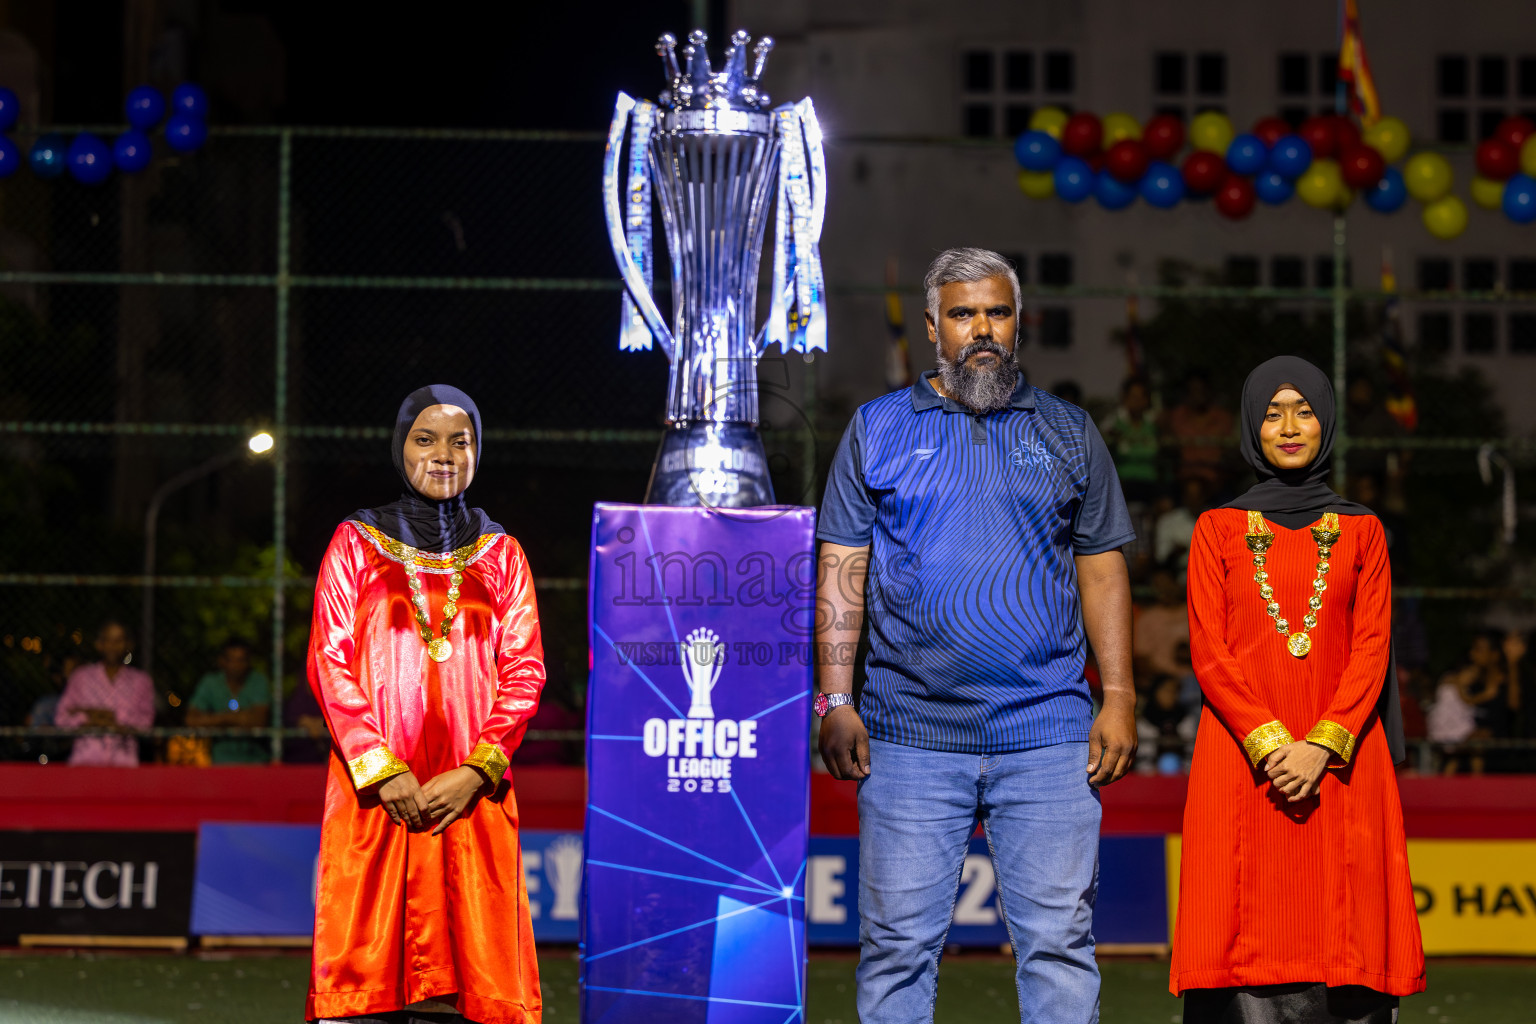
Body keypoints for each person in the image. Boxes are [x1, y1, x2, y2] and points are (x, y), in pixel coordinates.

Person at [816, 248, 1137, 1024]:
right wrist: (834, 698)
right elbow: (842, 565)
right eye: (963, 314)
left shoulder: (1068, 430)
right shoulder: (877, 428)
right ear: (933, 328)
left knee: (1059, 948)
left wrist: (1120, 696)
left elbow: (1102, 568)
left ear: (1019, 323)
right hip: (909, 737)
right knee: (896, 951)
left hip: (1049, 733)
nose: (982, 328)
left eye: (997, 312)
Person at [1173, 356, 1424, 1021]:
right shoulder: (1216, 529)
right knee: (1241, 930)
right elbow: (1210, 652)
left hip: (1342, 761)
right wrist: (1272, 743)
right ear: (1251, 428)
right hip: (1243, 761)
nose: (1288, 427)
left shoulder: (1364, 530)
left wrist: (1321, 746)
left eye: (1304, 411)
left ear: (1326, 422)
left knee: (1347, 934)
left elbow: (1372, 649)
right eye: (1272, 413)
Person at [305, 385, 546, 1024]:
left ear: (477, 452)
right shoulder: (356, 542)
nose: (443, 454)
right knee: (365, 976)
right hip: (378, 797)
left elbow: (525, 671)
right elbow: (328, 659)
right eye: (425, 439)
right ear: (400, 447)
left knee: (472, 974)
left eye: (459, 441)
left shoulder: (502, 553)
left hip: (468, 799)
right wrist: (382, 770)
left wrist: (476, 772)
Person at [53, 620, 155, 767]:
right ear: (99, 644)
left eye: (118, 641)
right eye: (107, 640)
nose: (112, 646)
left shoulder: (141, 681)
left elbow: (146, 723)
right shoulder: (81, 677)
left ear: (128, 645)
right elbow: (61, 718)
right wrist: (87, 719)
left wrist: (107, 716)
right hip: (85, 761)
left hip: (124, 764)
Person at [185, 638, 272, 764]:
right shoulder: (210, 683)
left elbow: (258, 721)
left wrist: (214, 720)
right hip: (221, 762)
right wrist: (234, 718)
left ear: (249, 662)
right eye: (231, 660)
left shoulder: (258, 681)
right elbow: (191, 720)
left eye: (241, 660)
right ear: (222, 661)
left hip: (256, 762)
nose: (236, 666)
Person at [1161, 370, 1234, 489]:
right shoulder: (1176, 416)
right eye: (1193, 390)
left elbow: (1230, 452)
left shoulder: (1222, 418)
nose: (1198, 395)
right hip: (1184, 478)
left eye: (1201, 390)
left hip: (1216, 478)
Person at [1100, 375, 1160, 504]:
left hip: (1150, 482)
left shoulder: (1154, 424)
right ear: (1125, 398)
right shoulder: (1112, 423)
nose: (1138, 401)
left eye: (1142, 397)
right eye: (1133, 397)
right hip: (1122, 482)